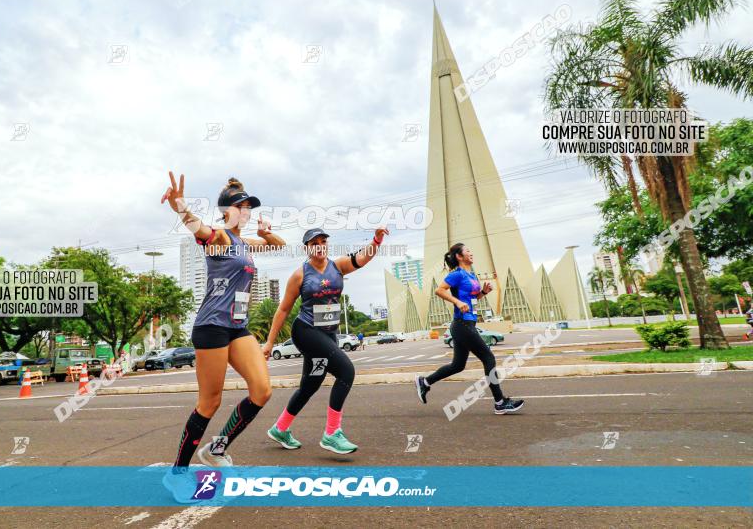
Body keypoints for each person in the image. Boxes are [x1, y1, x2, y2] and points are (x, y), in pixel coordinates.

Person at [161, 172, 285, 472]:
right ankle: (177, 472)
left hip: (236, 327)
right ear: (226, 211)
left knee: (261, 391)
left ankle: (217, 449)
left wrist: (267, 234)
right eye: (239, 206)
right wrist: (180, 207)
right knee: (210, 402)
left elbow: (278, 245)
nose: (245, 211)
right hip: (212, 326)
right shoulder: (220, 237)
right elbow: (198, 229)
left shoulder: (245, 243)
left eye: (248, 207)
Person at [264, 226, 389, 454]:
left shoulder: (337, 266)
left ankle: (280, 428)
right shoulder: (299, 275)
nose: (320, 245)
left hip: (328, 333)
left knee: (310, 385)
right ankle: (332, 433)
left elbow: (362, 258)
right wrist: (270, 343)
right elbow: (283, 310)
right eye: (314, 243)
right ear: (307, 249)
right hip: (306, 332)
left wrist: (376, 241)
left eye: (323, 241)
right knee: (346, 372)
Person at [414, 243, 524, 415]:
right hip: (462, 324)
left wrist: (483, 293)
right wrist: (457, 302)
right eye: (467, 251)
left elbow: (472, 300)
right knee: (489, 358)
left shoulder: (471, 275)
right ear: (459, 256)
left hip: (467, 323)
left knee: (457, 366)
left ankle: (425, 382)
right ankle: (500, 402)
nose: (471, 253)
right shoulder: (457, 274)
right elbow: (439, 290)